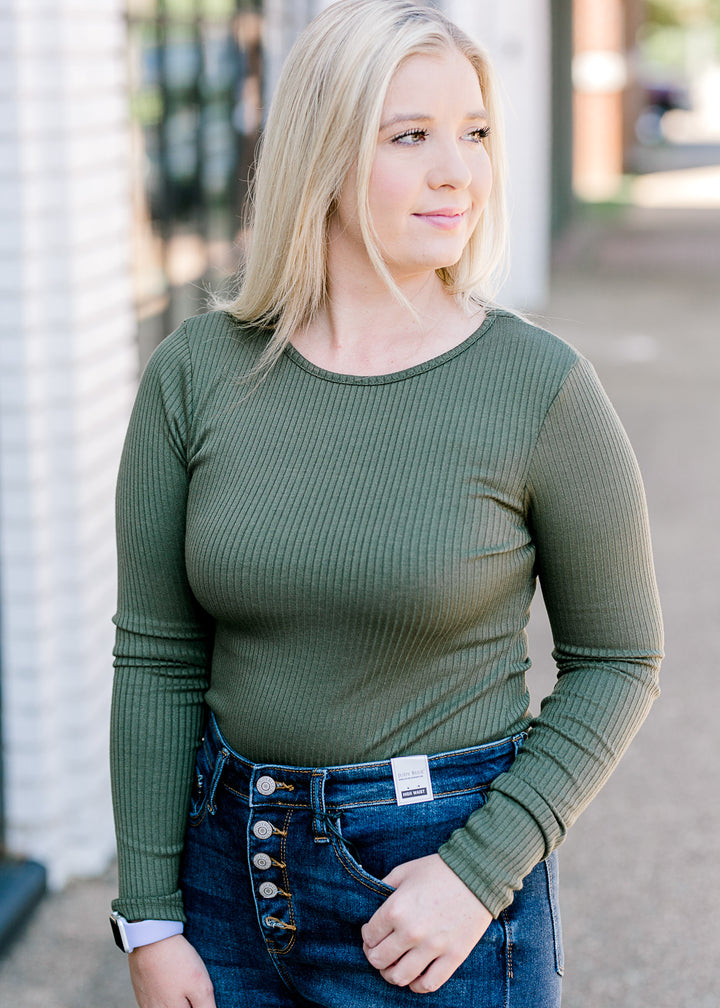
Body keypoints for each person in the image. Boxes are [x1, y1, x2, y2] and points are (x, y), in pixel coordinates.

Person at [109, 2, 663, 1006]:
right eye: (411, 136)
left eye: (475, 132)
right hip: (225, 883)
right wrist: (150, 917)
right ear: (321, 154)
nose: (459, 171)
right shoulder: (195, 373)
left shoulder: (538, 386)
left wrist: (478, 872)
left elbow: (618, 661)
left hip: (436, 889)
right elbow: (158, 654)